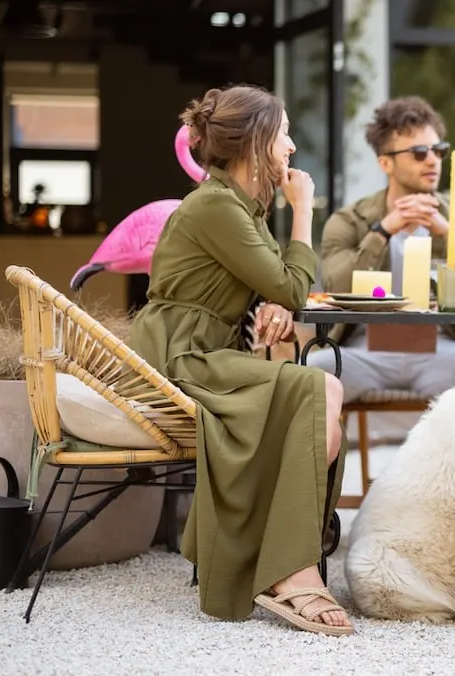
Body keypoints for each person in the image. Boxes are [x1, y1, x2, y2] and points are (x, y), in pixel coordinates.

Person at [128, 85, 352, 636]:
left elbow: (276, 286)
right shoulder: (216, 205)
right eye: (283, 135)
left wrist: (270, 299)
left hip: (210, 351)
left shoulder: (239, 205)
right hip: (181, 354)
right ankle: (289, 571)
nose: (292, 148)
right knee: (320, 390)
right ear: (257, 143)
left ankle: (284, 563)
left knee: (321, 393)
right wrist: (304, 213)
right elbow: (293, 285)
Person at [309, 96, 455, 404]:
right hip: (365, 352)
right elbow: (337, 286)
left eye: (438, 150)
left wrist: (445, 233)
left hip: (443, 350)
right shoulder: (349, 220)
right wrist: (383, 231)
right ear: (385, 162)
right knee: (310, 378)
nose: (433, 160)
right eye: (419, 152)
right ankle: (320, 454)